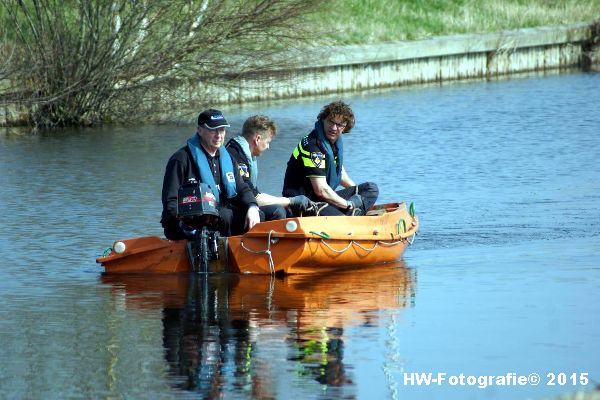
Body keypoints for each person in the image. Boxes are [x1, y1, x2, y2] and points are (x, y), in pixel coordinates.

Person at [161, 109, 261, 240]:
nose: (219, 135)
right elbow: (171, 203)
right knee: (226, 215)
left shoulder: (228, 158)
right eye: (213, 130)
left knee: (272, 213)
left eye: (222, 130)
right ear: (200, 130)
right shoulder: (180, 160)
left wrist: (252, 207)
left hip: (223, 218)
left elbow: (242, 189)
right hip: (191, 224)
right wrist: (187, 225)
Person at [282, 100, 378, 216]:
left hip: (323, 198)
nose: (333, 128)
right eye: (330, 122)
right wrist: (349, 204)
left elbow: (341, 175)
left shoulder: (333, 143)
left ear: (345, 127)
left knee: (370, 189)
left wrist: (358, 197)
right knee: (341, 219)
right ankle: (352, 215)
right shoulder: (313, 146)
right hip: (305, 203)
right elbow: (321, 190)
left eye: (339, 125)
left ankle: (354, 214)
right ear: (323, 120)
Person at [225, 115, 313, 219]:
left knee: (287, 209)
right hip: (232, 211)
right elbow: (255, 198)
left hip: (243, 206)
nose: (268, 147)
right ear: (257, 139)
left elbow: (255, 193)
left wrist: (289, 203)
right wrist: (292, 201)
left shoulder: (240, 152)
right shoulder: (237, 158)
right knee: (277, 211)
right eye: (267, 142)